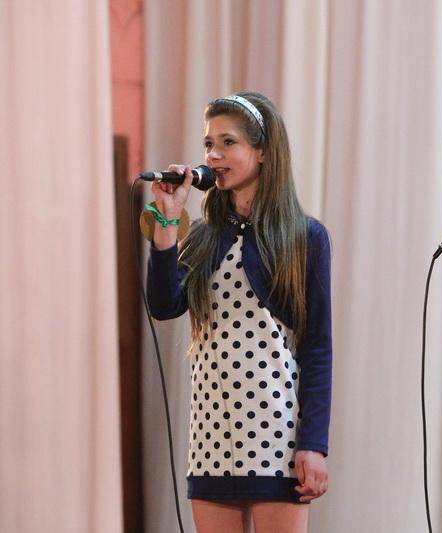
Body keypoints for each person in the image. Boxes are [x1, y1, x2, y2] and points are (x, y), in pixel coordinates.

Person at [146, 92, 332, 533]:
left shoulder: (304, 236)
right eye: (209, 144)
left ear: (262, 151)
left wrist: (313, 444)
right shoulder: (204, 236)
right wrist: (167, 225)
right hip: (210, 432)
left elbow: (317, 347)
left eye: (228, 143)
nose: (213, 155)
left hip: (275, 431)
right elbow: (164, 305)